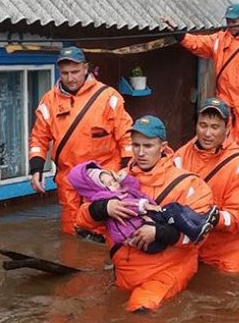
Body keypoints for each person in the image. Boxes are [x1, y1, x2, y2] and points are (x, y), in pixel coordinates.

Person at [75, 116, 214, 313]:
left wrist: (158, 232)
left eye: (148, 146)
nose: (140, 152)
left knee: (140, 309)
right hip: (124, 273)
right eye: (136, 145)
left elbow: (199, 237)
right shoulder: (117, 179)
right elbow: (81, 221)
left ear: (163, 147)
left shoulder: (189, 184)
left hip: (166, 271)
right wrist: (104, 208)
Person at [29, 46, 133, 236]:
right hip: (68, 177)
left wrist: (127, 167)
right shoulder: (49, 101)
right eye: (65, 73)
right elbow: (38, 137)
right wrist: (36, 169)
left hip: (103, 176)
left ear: (86, 68)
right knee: (71, 230)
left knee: (105, 229)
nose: (70, 78)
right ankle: (73, 262)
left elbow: (126, 134)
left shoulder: (108, 97)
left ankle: (104, 264)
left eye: (75, 71)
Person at [164, 3, 239, 157]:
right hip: (224, 101)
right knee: (220, 142)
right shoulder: (220, 39)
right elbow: (197, 43)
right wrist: (179, 33)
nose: (230, 25)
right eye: (228, 21)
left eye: (234, 22)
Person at [174, 97, 239, 273]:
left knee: (227, 292)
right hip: (187, 245)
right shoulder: (180, 156)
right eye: (203, 125)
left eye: (215, 127)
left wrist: (212, 218)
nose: (207, 133)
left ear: (227, 129)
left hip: (226, 251)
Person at [68, 160, 219, 252]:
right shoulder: (105, 198)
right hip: (142, 238)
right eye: (109, 183)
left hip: (146, 235)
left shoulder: (117, 187)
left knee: (174, 211)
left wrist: (121, 178)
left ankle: (200, 222)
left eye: (112, 180)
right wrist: (145, 206)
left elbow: (134, 185)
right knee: (173, 210)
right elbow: (129, 206)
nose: (114, 184)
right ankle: (197, 228)